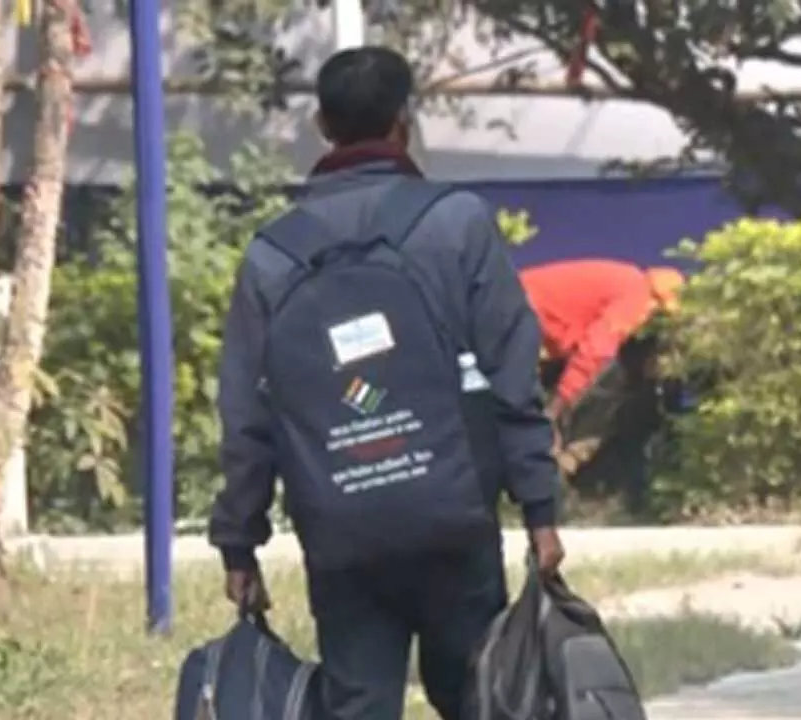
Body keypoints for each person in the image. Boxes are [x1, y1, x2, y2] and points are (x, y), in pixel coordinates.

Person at [208, 46, 564, 720]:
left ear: (322, 125)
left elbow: (247, 415)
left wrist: (240, 543)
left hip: (340, 525)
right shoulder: (456, 222)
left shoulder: (272, 255)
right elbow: (512, 373)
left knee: (360, 703)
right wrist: (539, 510)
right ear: (405, 120)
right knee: (478, 697)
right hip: (453, 514)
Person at [521, 259, 683, 507]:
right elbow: (596, 351)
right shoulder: (636, 297)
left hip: (526, 324)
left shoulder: (625, 281)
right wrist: (555, 409)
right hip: (510, 322)